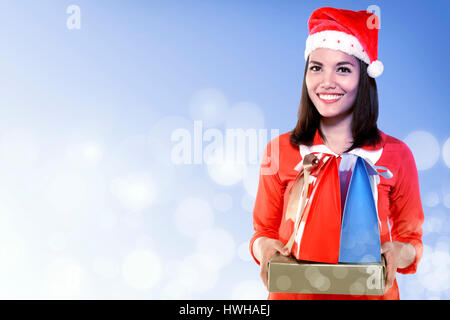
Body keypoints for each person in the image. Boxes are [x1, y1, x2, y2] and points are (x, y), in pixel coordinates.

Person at [249, 7, 424, 300]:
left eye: (343, 69)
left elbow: (411, 241)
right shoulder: (278, 151)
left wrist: (399, 253)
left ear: (364, 78)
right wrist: (264, 248)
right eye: (316, 67)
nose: (326, 81)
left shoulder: (396, 155)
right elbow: (262, 231)